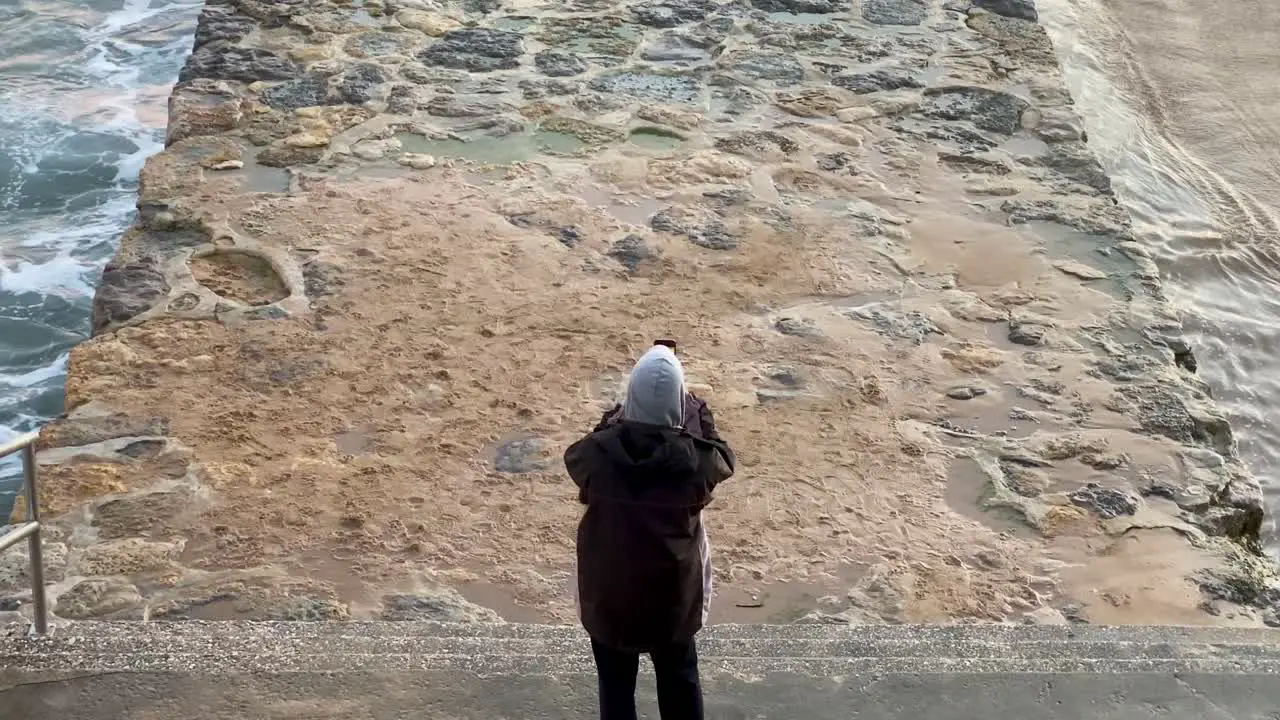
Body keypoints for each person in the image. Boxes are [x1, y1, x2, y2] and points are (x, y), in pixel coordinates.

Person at [564, 344, 736, 720]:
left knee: (616, 687)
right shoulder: (695, 465)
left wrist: (616, 418)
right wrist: (699, 415)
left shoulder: (597, 455)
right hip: (670, 599)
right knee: (679, 680)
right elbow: (723, 458)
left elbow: (578, 455)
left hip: (608, 595)